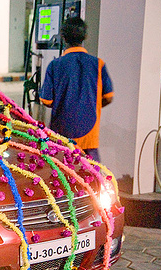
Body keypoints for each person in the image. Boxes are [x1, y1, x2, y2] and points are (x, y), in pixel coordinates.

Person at [40, 17, 113, 162]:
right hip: (89, 137)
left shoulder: (55, 65)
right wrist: (92, 104)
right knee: (93, 178)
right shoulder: (98, 64)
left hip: (61, 136)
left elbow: (46, 100)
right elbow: (108, 97)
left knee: (60, 178)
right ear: (85, 36)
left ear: (63, 37)